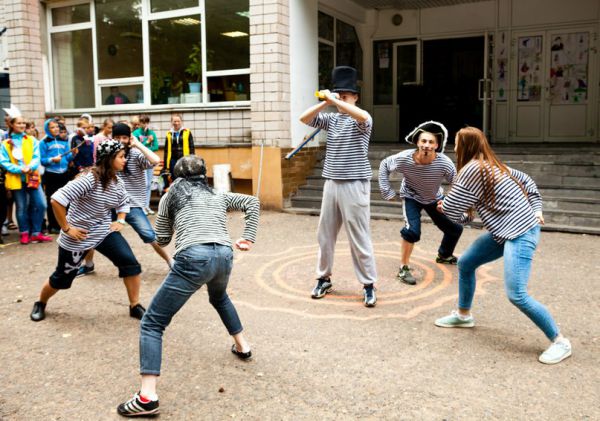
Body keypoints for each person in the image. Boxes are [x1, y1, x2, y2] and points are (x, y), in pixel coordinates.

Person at [116, 155, 259, 417]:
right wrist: (248, 237)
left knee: (152, 323)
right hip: (224, 256)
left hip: (194, 257)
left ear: (176, 176)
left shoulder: (172, 195)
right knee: (219, 297)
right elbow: (252, 201)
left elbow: (161, 237)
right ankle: (243, 346)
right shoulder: (217, 193)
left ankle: (147, 398)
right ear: (203, 175)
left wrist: (172, 221)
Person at [434, 126, 572, 365]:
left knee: (517, 295)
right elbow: (525, 183)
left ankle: (560, 341)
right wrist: (455, 211)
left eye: (456, 142)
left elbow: (454, 208)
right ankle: (464, 315)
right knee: (466, 264)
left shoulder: (471, 169)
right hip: (502, 232)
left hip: (520, 233)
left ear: (464, 146)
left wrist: (443, 206)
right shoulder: (493, 165)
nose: (453, 146)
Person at [29, 139, 146, 322]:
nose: (125, 160)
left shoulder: (117, 180)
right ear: (108, 158)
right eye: (121, 156)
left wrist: (121, 221)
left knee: (130, 264)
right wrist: (67, 228)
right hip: (78, 236)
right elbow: (57, 199)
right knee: (62, 278)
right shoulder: (89, 179)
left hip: (103, 231)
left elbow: (123, 203)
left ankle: (135, 305)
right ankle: (40, 303)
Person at [299, 66, 378, 307]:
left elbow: (362, 117)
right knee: (325, 235)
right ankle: (323, 278)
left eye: (346, 94)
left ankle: (369, 284)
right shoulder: (331, 118)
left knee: (359, 236)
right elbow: (304, 118)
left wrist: (337, 102)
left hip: (355, 184)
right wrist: (325, 102)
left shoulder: (362, 118)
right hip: (331, 182)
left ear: (355, 96)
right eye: (339, 94)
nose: (341, 97)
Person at [77, 123, 170, 277]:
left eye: (125, 137)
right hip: (109, 203)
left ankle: (170, 261)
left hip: (132, 204)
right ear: (112, 138)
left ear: (129, 138)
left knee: (149, 234)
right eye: (117, 137)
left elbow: (155, 160)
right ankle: (88, 264)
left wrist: (138, 144)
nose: (121, 141)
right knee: (92, 229)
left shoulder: (135, 154)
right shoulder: (109, 154)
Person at [378, 121, 463, 285]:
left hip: (434, 198)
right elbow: (384, 165)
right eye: (423, 141)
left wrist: (451, 203)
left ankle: (444, 255)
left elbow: (457, 183)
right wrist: (386, 191)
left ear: (436, 145)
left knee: (454, 229)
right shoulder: (404, 158)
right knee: (412, 232)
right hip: (412, 197)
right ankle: (403, 268)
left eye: (431, 142)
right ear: (417, 142)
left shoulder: (444, 163)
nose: (426, 145)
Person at [0, 107, 51, 245]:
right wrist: (18, 169)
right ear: (11, 125)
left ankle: (35, 232)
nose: (22, 126)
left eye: (23, 123)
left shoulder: (32, 140)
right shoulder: (5, 144)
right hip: (17, 179)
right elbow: (3, 161)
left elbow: (36, 156)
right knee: (21, 207)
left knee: (41, 204)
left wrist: (30, 167)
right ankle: (24, 232)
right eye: (19, 123)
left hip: (32, 177)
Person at [40, 119, 74, 233]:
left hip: (64, 173)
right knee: (53, 200)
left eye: (57, 127)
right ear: (47, 129)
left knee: (66, 199)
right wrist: (52, 160)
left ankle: (65, 224)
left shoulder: (64, 141)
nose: (56, 129)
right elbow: (42, 160)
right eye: (52, 127)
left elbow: (67, 158)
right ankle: (53, 225)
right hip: (51, 175)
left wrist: (73, 154)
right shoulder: (43, 142)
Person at [132, 114, 158, 215]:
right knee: (143, 183)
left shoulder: (151, 133)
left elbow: (155, 146)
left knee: (148, 184)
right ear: (139, 123)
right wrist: (148, 142)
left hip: (149, 161)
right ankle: (141, 206)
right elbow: (137, 147)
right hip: (139, 160)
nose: (145, 124)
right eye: (143, 122)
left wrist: (147, 148)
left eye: (146, 122)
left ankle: (147, 206)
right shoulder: (136, 133)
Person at [162, 114, 195, 190]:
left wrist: (192, 160)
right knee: (174, 178)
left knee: (185, 178)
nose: (176, 123)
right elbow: (166, 150)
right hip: (173, 160)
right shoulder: (169, 134)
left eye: (178, 121)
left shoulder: (187, 132)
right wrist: (166, 165)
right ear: (171, 122)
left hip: (184, 159)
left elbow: (192, 148)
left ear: (181, 122)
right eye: (174, 121)